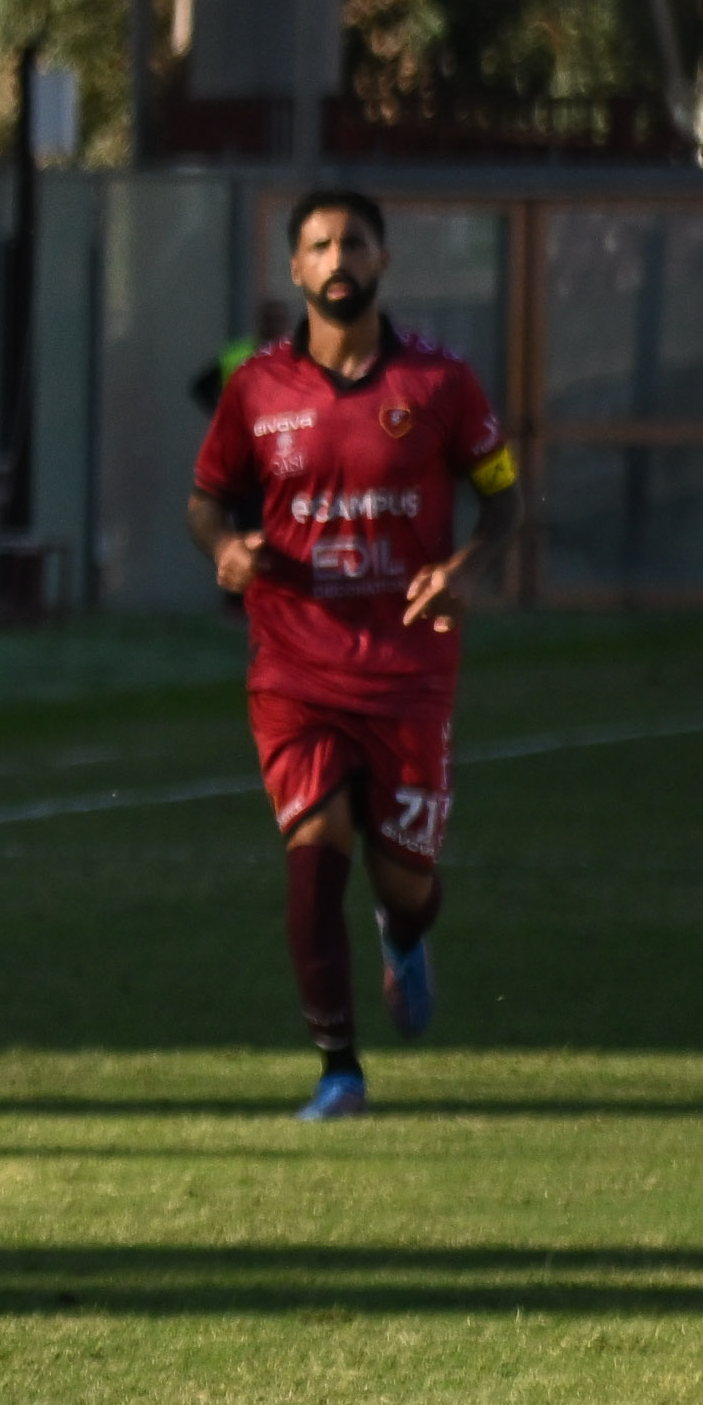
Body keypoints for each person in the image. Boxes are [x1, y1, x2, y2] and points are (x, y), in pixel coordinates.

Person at [189, 185, 511, 1123]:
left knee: (405, 879)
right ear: (294, 269)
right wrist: (225, 549)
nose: (338, 261)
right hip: (294, 666)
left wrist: (470, 568)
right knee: (316, 846)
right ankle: (339, 1070)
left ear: (383, 261)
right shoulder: (256, 388)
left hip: (410, 668)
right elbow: (206, 497)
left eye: (354, 244)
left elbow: (506, 498)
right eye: (320, 246)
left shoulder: (442, 386)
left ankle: (404, 937)